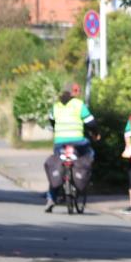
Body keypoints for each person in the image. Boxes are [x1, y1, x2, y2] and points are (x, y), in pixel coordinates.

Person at [44, 84, 99, 212]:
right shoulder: (79, 105)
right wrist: (96, 133)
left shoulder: (56, 106)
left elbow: (52, 122)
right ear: (72, 93)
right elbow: (91, 122)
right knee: (90, 153)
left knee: (57, 167)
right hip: (78, 142)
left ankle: (51, 197)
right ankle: (85, 176)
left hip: (60, 143)